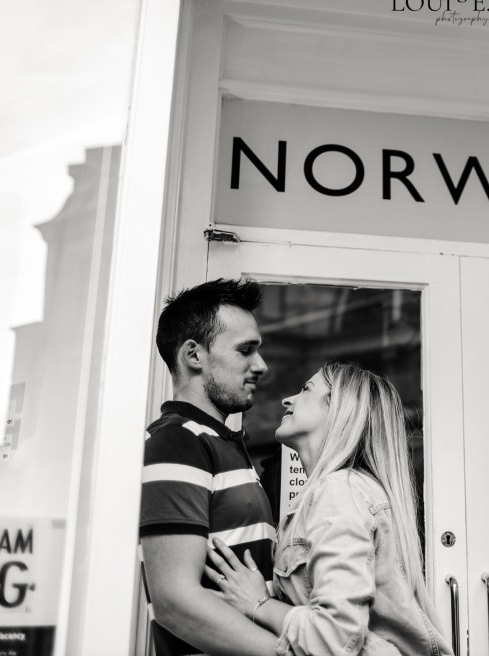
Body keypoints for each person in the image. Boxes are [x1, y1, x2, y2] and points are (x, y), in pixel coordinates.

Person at [206, 362, 454, 656]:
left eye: (306, 389)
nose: (287, 400)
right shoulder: (342, 491)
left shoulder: (340, 491)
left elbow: (334, 637)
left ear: (339, 408)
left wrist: (259, 603)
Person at [139, 278, 280, 656]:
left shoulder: (217, 441)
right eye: (245, 350)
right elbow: (174, 601)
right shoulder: (178, 441)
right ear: (193, 355)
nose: (261, 365)